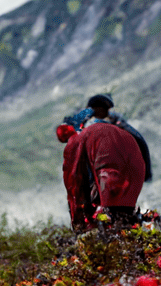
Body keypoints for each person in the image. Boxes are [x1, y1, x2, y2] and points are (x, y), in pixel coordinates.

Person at [61, 97, 148, 229]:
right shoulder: (118, 125)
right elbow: (139, 141)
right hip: (118, 170)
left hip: (100, 170)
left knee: (100, 204)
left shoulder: (88, 126)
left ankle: (92, 228)